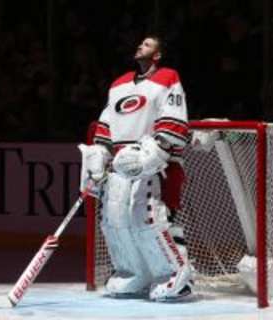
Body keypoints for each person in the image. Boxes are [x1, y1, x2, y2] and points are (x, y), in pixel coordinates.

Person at [79, 35, 193, 301]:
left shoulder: (168, 77)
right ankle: (132, 273)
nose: (140, 45)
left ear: (158, 55)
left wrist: (154, 153)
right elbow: (105, 128)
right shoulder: (118, 84)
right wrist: (98, 158)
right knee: (115, 220)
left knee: (151, 220)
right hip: (121, 166)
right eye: (140, 43)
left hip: (155, 165)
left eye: (148, 43)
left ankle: (176, 276)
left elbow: (174, 120)